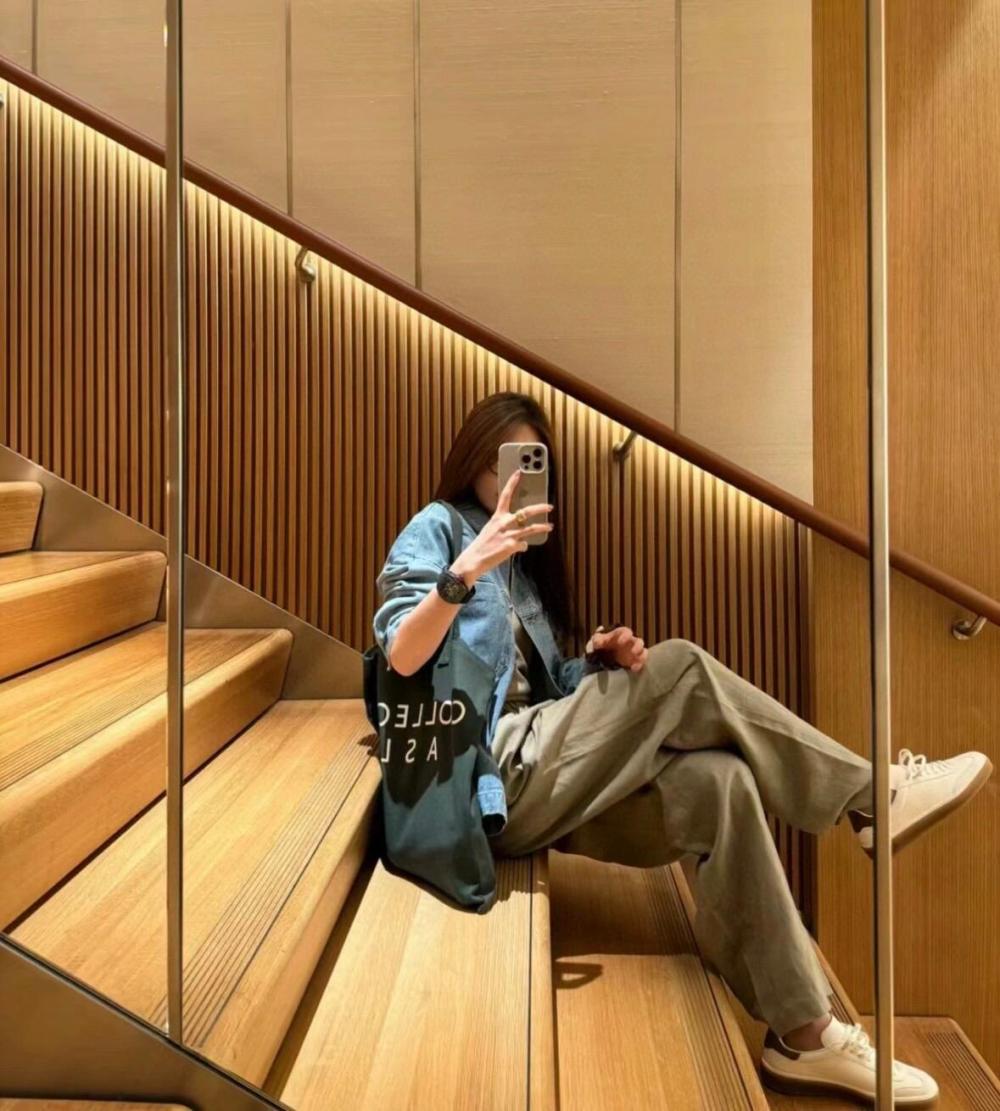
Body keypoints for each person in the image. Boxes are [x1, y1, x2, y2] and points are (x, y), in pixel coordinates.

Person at [372, 391, 993, 1106]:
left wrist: (591, 664)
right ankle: (868, 796)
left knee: (721, 781)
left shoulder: (524, 565)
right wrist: (465, 570)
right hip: (484, 776)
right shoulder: (441, 528)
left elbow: (535, 689)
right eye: (498, 460)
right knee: (682, 667)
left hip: (541, 764)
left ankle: (804, 1033)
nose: (511, 479)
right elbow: (403, 654)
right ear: (471, 460)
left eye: (528, 462)